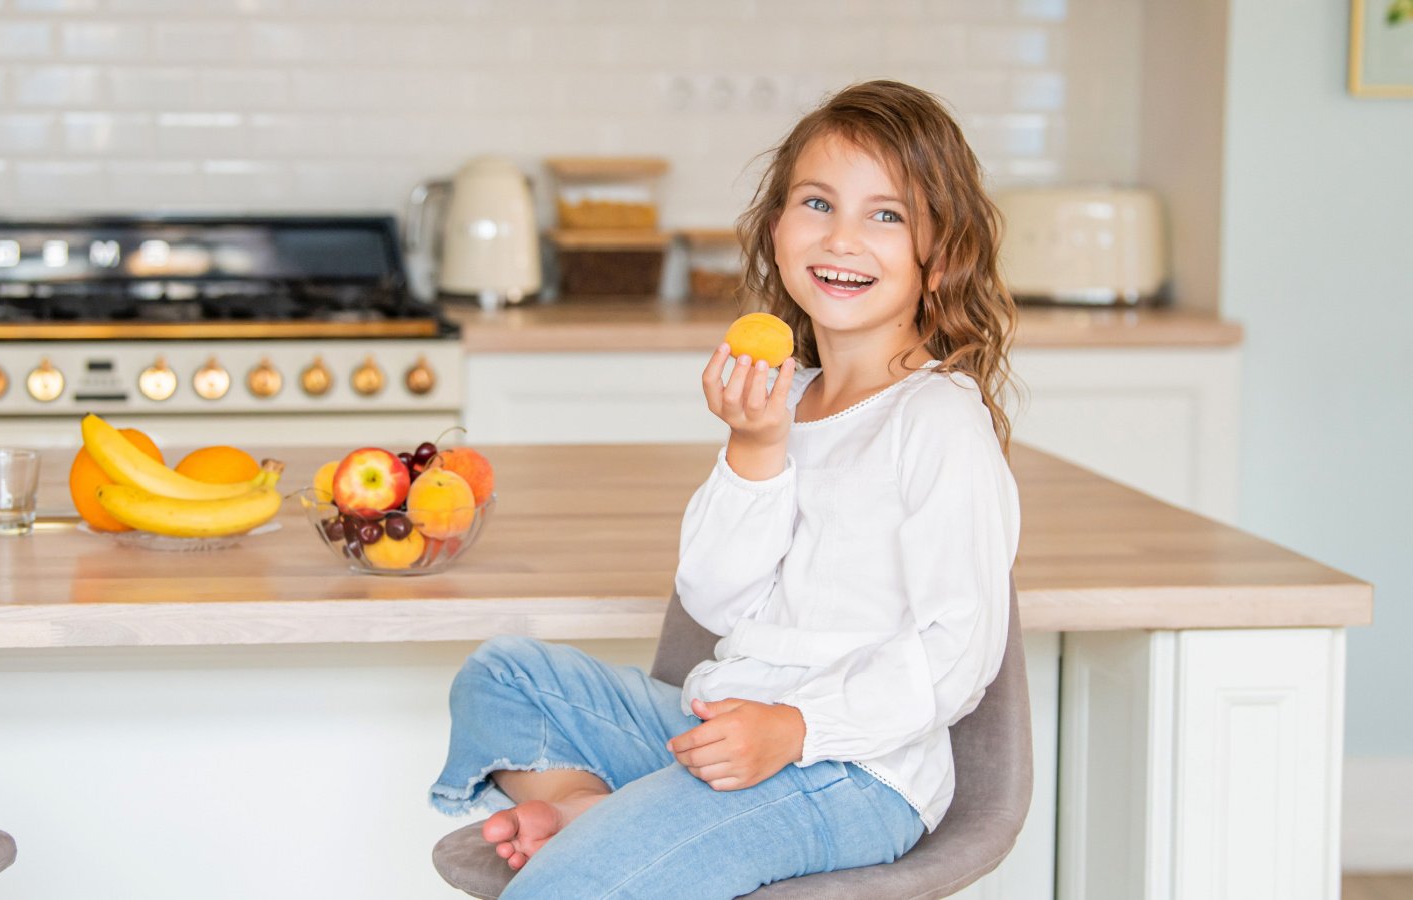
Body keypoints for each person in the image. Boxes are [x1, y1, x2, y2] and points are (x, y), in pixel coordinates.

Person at [429, 79, 1022, 899]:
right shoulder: (786, 398)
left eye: (886, 215)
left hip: (852, 771)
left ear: (942, 252)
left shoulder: (937, 420)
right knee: (504, 676)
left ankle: (599, 843)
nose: (842, 237)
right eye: (818, 203)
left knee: (574, 887)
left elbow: (958, 654)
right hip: (726, 720)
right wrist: (755, 445)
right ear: (777, 227)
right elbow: (713, 599)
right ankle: (584, 805)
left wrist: (795, 729)